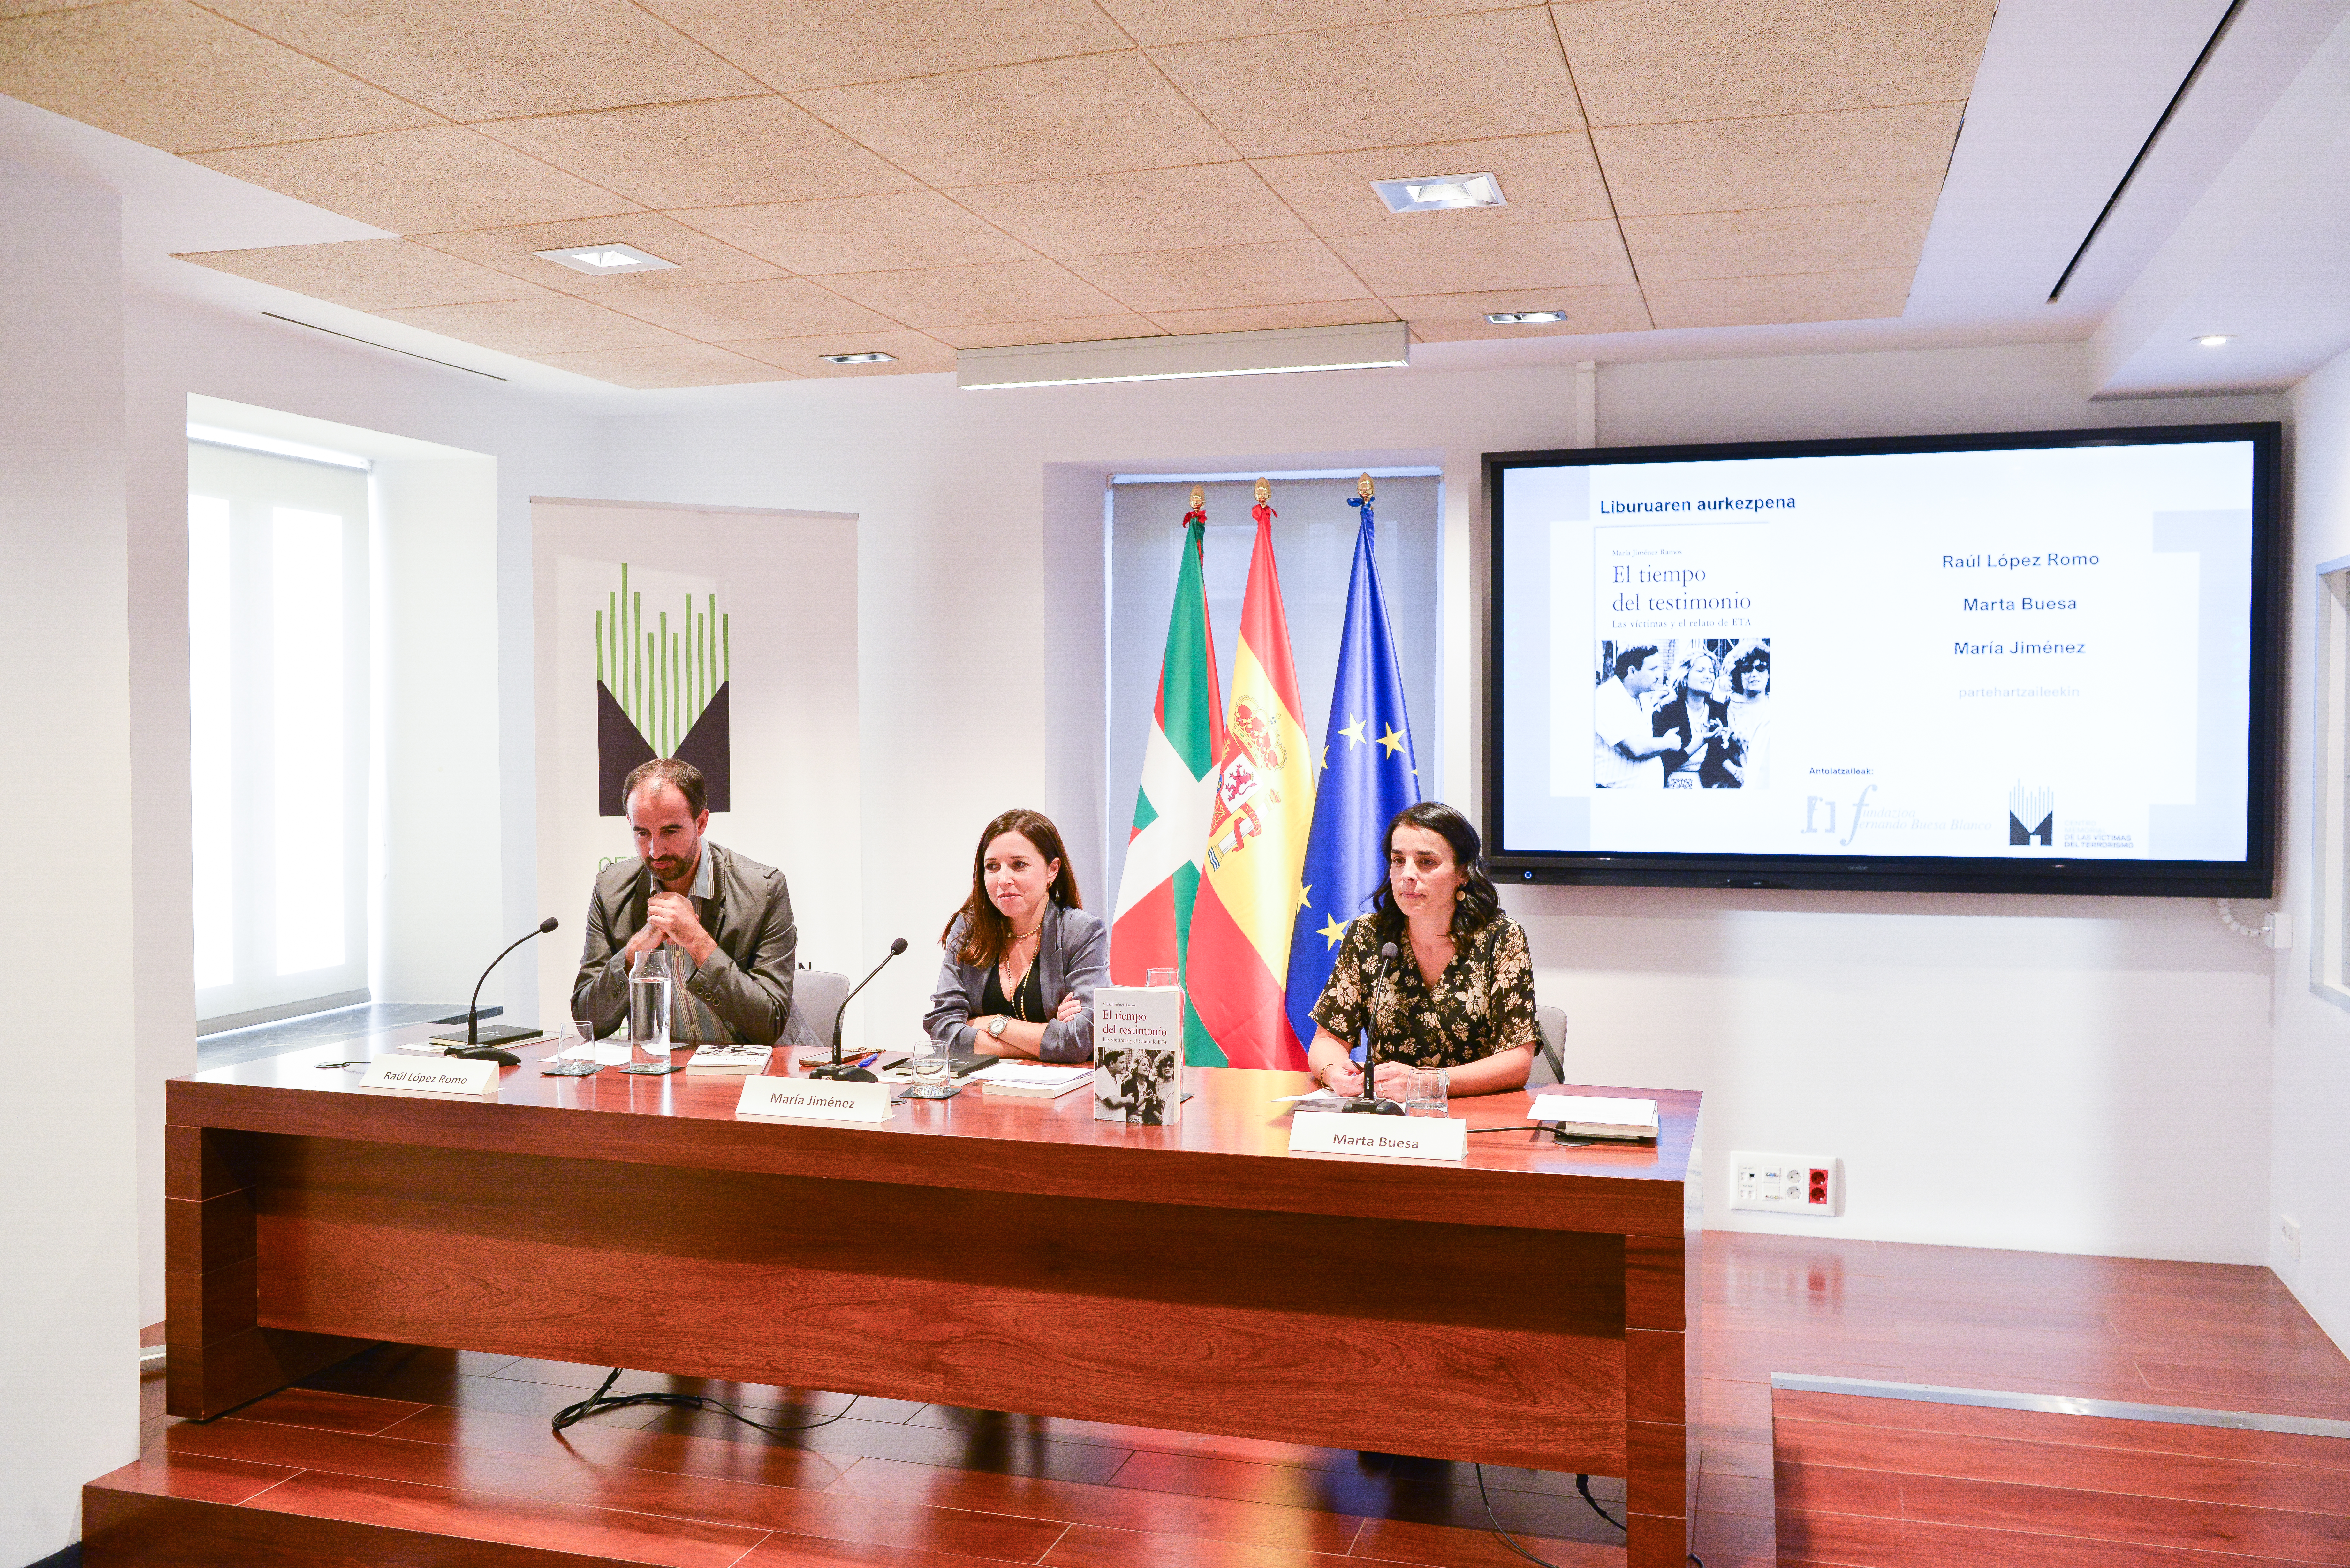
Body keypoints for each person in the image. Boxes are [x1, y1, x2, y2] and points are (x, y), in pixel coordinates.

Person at [1304, 802, 1541, 1099]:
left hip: (1473, 1112)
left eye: (1426, 862)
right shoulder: (1368, 936)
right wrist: (1333, 1072)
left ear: (1463, 874)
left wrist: (1426, 1082)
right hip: (1388, 1114)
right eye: (1398, 860)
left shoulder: (1501, 938)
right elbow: (1329, 1038)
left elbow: (1518, 1062)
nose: (1408, 875)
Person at [571, 757, 796, 1045]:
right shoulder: (611, 890)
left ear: (701, 823)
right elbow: (588, 1021)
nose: (655, 851)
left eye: (670, 831)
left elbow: (768, 1025)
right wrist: (635, 951)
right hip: (662, 1071)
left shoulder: (764, 891)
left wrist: (697, 940)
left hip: (753, 1070)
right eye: (642, 833)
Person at [925, 808, 1108, 1064]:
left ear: (1052, 871)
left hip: (1058, 1096)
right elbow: (943, 1034)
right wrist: (1047, 1036)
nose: (1003, 879)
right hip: (978, 1091)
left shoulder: (1082, 932)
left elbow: (1079, 1041)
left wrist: (991, 1023)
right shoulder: (968, 928)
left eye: (1019, 865)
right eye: (992, 867)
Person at [1592, 645, 1682, 788]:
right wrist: (1668, 742)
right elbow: (1636, 748)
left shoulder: (1643, 700)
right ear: (1632, 671)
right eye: (1653, 669)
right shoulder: (1606, 697)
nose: (1659, 675)